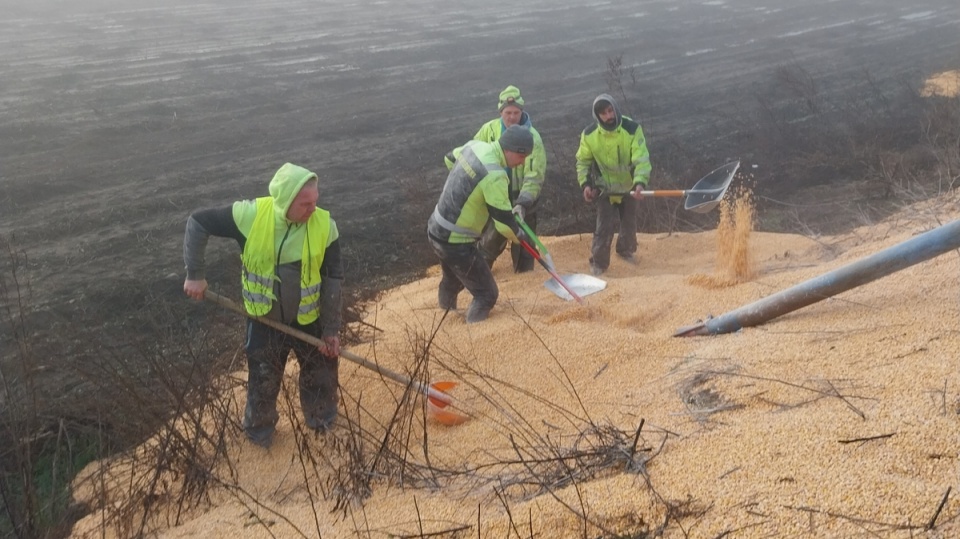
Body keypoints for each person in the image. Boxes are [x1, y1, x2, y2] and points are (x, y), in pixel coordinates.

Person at [182, 163, 344, 447]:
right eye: (305, 204)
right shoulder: (250, 216)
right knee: (263, 381)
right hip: (264, 322)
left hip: (309, 320)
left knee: (321, 372)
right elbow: (198, 222)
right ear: (285, 200)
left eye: (315, 202)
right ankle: (260, 434)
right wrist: (195, 274)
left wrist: (330, 328)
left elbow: (333, 279)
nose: (312, 210)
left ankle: (323, 422)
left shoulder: (324, 225)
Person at [428, 125, 534, 323]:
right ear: (512, 150)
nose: (522, 163)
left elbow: (449, 158)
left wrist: (466, 187)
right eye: (522, 157)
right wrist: (520, 236)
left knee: (452, 279)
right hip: (455, 241)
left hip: (435, 229)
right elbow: (504, 223)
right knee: (487, 294)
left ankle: (445, 319)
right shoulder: (495, 175)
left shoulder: (475, 146)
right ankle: (476, 336)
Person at [445, 85, 546, 273]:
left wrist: (523, 203)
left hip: (523, 200)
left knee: (525, 244)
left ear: (522, 111)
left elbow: (534, 176)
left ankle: (525, 279)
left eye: (516, 112)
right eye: (508, 112)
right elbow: (472, 155)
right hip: (495, 197)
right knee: (489, 242)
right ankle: (478, 277)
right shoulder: (488, 131)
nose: (512, 117)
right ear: (501, 112)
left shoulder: (533, 139)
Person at [576, 93, 652, 276]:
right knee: (603, 227)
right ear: (597, 116)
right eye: (604, 113)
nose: (609, 116)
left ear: (616, 109)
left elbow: (641, 159)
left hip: (629, 186)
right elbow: (583, 162)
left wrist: (640, 183)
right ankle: (599, 264)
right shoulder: (589, 135)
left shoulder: (632, 129)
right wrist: (585, 184)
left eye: (610, 111)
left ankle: (625, 251)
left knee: (629, 223)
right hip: (605, 189)